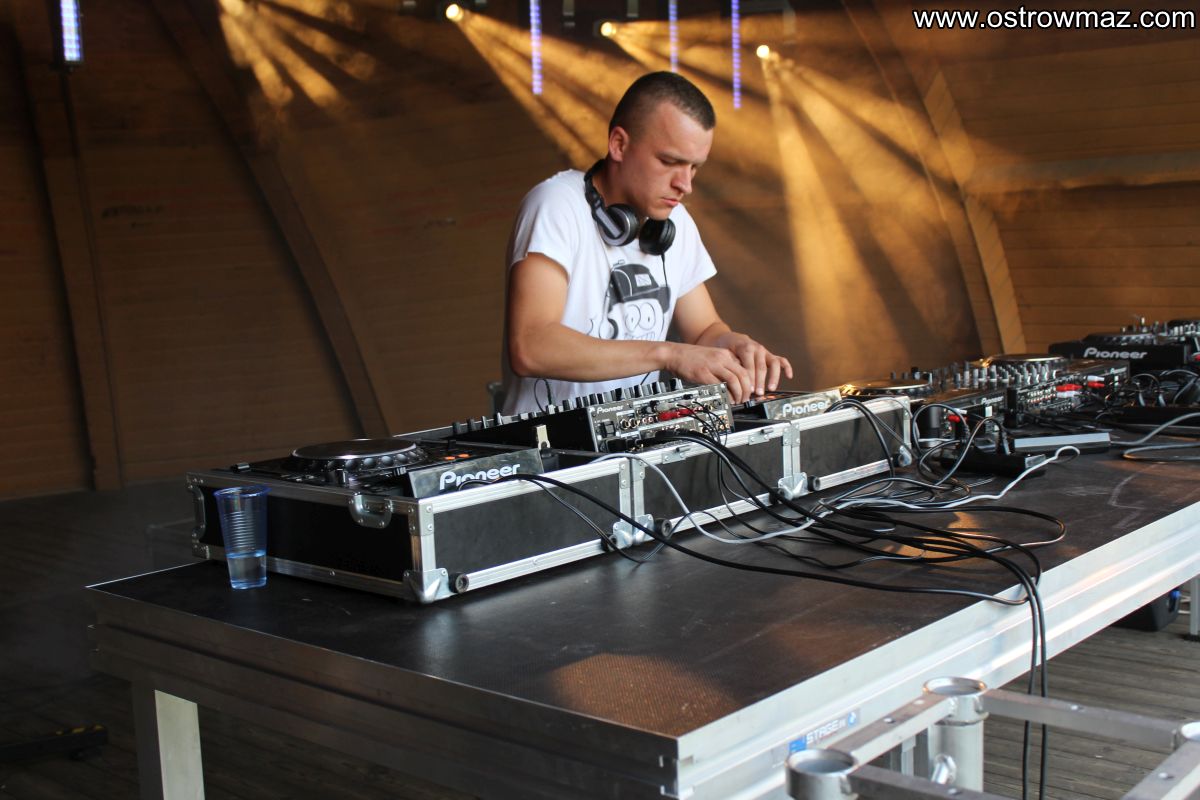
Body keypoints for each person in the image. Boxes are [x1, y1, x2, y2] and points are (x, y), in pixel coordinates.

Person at [501, 71, 792, 415]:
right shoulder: (556, 204)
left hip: (636, 442)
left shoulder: (677, 222)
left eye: (694, 167)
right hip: (550, 445)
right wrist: (668, 354)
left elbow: (704, 331)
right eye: (670, 162)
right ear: (619, 145)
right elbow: (531, 346)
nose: (685, 185)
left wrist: (736, 345)